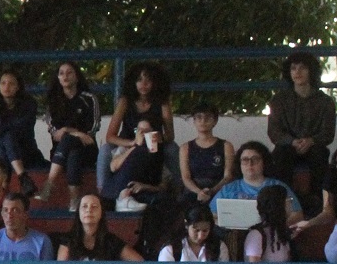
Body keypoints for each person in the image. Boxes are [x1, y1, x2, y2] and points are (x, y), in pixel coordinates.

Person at [268, 50, 337, 212]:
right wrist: (292, 141)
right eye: (293, 68)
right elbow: (274, 131)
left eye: (302, 68)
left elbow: (328, 133)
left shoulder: (325, 102)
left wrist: (311, 141)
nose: (297, 72)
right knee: (280, 155)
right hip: (287, 146)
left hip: (314, 147)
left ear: (311, 71)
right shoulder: (279, 100)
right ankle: (282, 200)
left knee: (320, 155)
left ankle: (318, 202)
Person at [102, 62, 174, 204]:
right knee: (104, 151)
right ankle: (102, 190)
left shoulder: (162, 102)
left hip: (153, 145)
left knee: (173, 150)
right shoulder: (125, 102)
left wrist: (160, 137)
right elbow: (110, 136)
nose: (143, 84)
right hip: (127, 143)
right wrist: (133, 143)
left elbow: (170, 135)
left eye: (148, 80)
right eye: (139, 80)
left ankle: (176, 191)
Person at [40, 61, 100, 207]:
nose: (65, 76)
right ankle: (74, 202)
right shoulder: (53, 102)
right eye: (61, 73)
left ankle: (50, 182)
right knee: (73, 152)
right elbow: (55, 133)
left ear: (77, 76)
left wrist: (67, 131)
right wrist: (76, 133)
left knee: (70, 142)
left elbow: (92, 130)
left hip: (88, 149)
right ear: (58, 78)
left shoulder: (89, 98)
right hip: (61, 154)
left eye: (69, 72)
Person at [0, 66, 45, 191]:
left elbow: (21, 128)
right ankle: (23, 177)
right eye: (3, 83)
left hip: (25, 149)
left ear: (18, 86)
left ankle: (3, 191)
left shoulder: (29, 104)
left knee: (6, 139)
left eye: (11, 83)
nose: (6, 87)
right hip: (2, 149)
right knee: (2, 145)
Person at [179, 105, 236, 207]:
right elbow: (186, 178)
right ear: (194, 121)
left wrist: (212, 191)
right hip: (193, 191)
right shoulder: (185, 148)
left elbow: (228, 176)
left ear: (215, 121)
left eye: (208, 117)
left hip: (219, 189)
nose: (203, 120)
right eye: (199, 117)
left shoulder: (226, 146)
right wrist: (199, 192)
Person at [215, 140, 295, 204]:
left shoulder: (280, 187)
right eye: (245, 160)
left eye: (255, 159)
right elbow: (211, 215)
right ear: (239, 164)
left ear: (264, 162)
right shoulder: (227, 189)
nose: (250, 164)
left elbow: (297, 215)